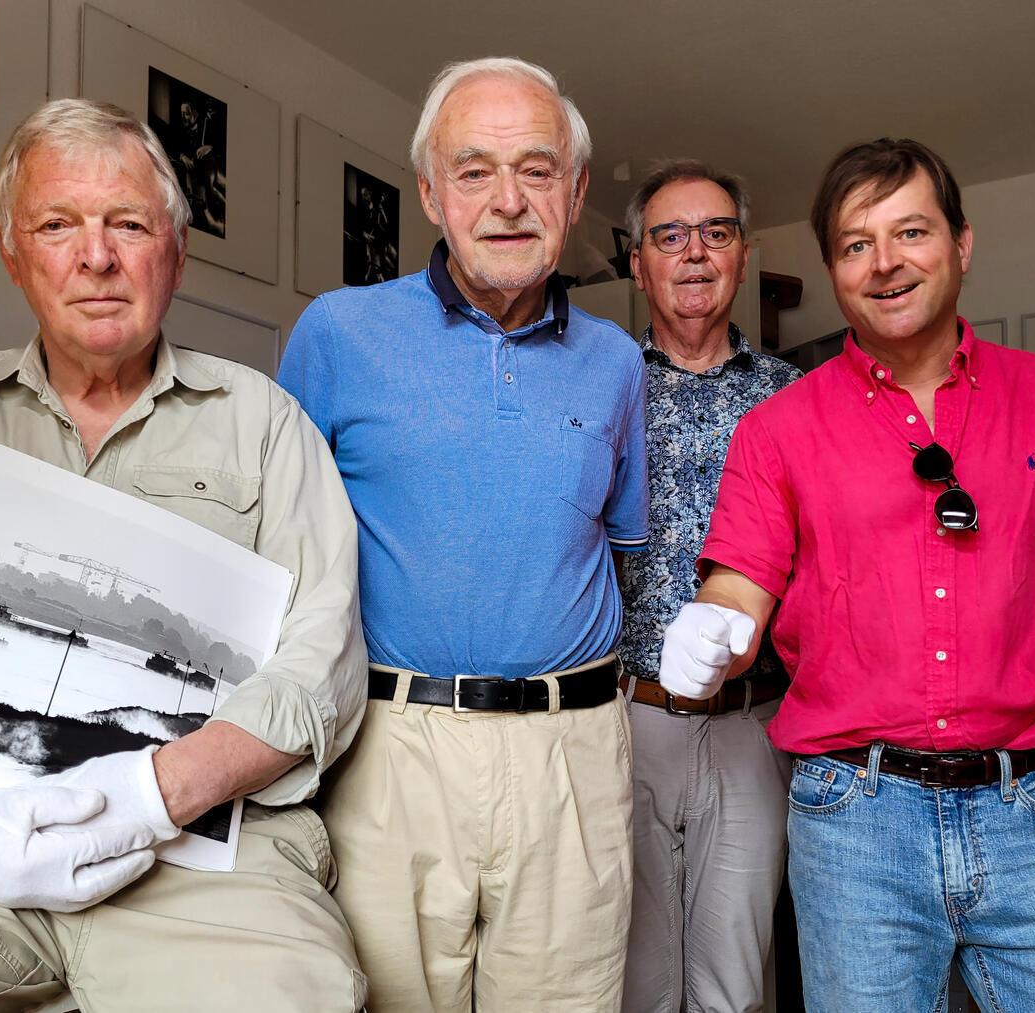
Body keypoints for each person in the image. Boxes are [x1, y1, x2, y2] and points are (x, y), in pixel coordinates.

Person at [0, 98, 369, 1012]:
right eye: (58, 225)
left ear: (174, 256)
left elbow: (325, 658)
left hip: (198, 857)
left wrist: (152, 791)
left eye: (128, 225)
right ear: (15, 256)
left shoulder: (263, 422)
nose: (95, 256)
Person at [659, 137, 1035, 1011]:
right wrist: (712, 626)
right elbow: (739, 585)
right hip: (856, 822)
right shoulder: (776, 428)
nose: (884, 264)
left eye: (910, 232)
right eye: (855, 244)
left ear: (962, 243)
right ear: (835, 269)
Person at [278, 57, 648, 1012]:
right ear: (432, 194)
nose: (508, 199)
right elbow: (280, 554)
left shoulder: (615, 360)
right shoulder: (337, 333)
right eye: (474, 169)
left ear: (574, 194)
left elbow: (619, 551)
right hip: (388, 748)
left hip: (574, 755)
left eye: (535, 168)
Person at [616, 161, 800, 1013]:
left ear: (743, 254)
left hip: (752, 723)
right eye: (670, 236)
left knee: (737, 981)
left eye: (715, 233)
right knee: (633, 979)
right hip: (625, 716)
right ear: (638, 261)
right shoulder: (600, 387)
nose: (694, 253)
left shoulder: (794, 398)